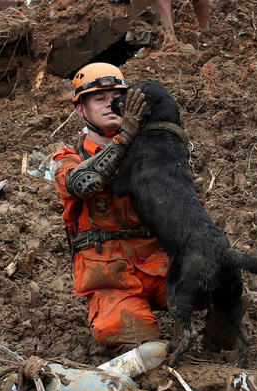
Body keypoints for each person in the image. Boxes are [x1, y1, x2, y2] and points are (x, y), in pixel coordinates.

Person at [51, 63, 170, 355]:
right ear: (81, 110)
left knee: (222, 283)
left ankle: (221, 346)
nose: (111, 104)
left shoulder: (151, 150)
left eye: (116, 96)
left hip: (161, 268)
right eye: (99, 98)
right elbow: (83, 184)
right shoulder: (67, 158)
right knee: (143, 349)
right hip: (110, 280)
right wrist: (124, 138)